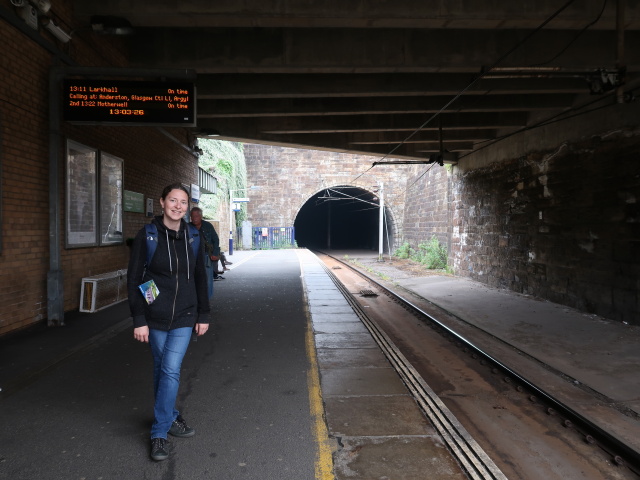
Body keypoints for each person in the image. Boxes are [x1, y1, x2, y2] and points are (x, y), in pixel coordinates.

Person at [127, 183, 210, 462]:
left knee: (171, 369)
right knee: (162, 369)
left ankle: (159, 433)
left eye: (183, 202)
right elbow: (136, 278)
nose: (178, 206)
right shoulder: (147, 236)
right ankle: (172, 417)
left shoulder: (193, 237)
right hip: (155, 316)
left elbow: (200, 276)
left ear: (188, 206)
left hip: (186, 314)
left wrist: (204, 314)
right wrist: (140, 317)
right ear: (162, 202)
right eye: (172, 201)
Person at [189, 206, 218, 294]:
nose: (194, 219)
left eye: (196, 216)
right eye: (192, 216)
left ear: (201, 216)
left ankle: (206, 300)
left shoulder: (208, 226)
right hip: (193, 257)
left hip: (206, 256)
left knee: (208, 279)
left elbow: (215, 239)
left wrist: (215, 253)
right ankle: (196, 301)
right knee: (193, 279)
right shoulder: (188, 227)